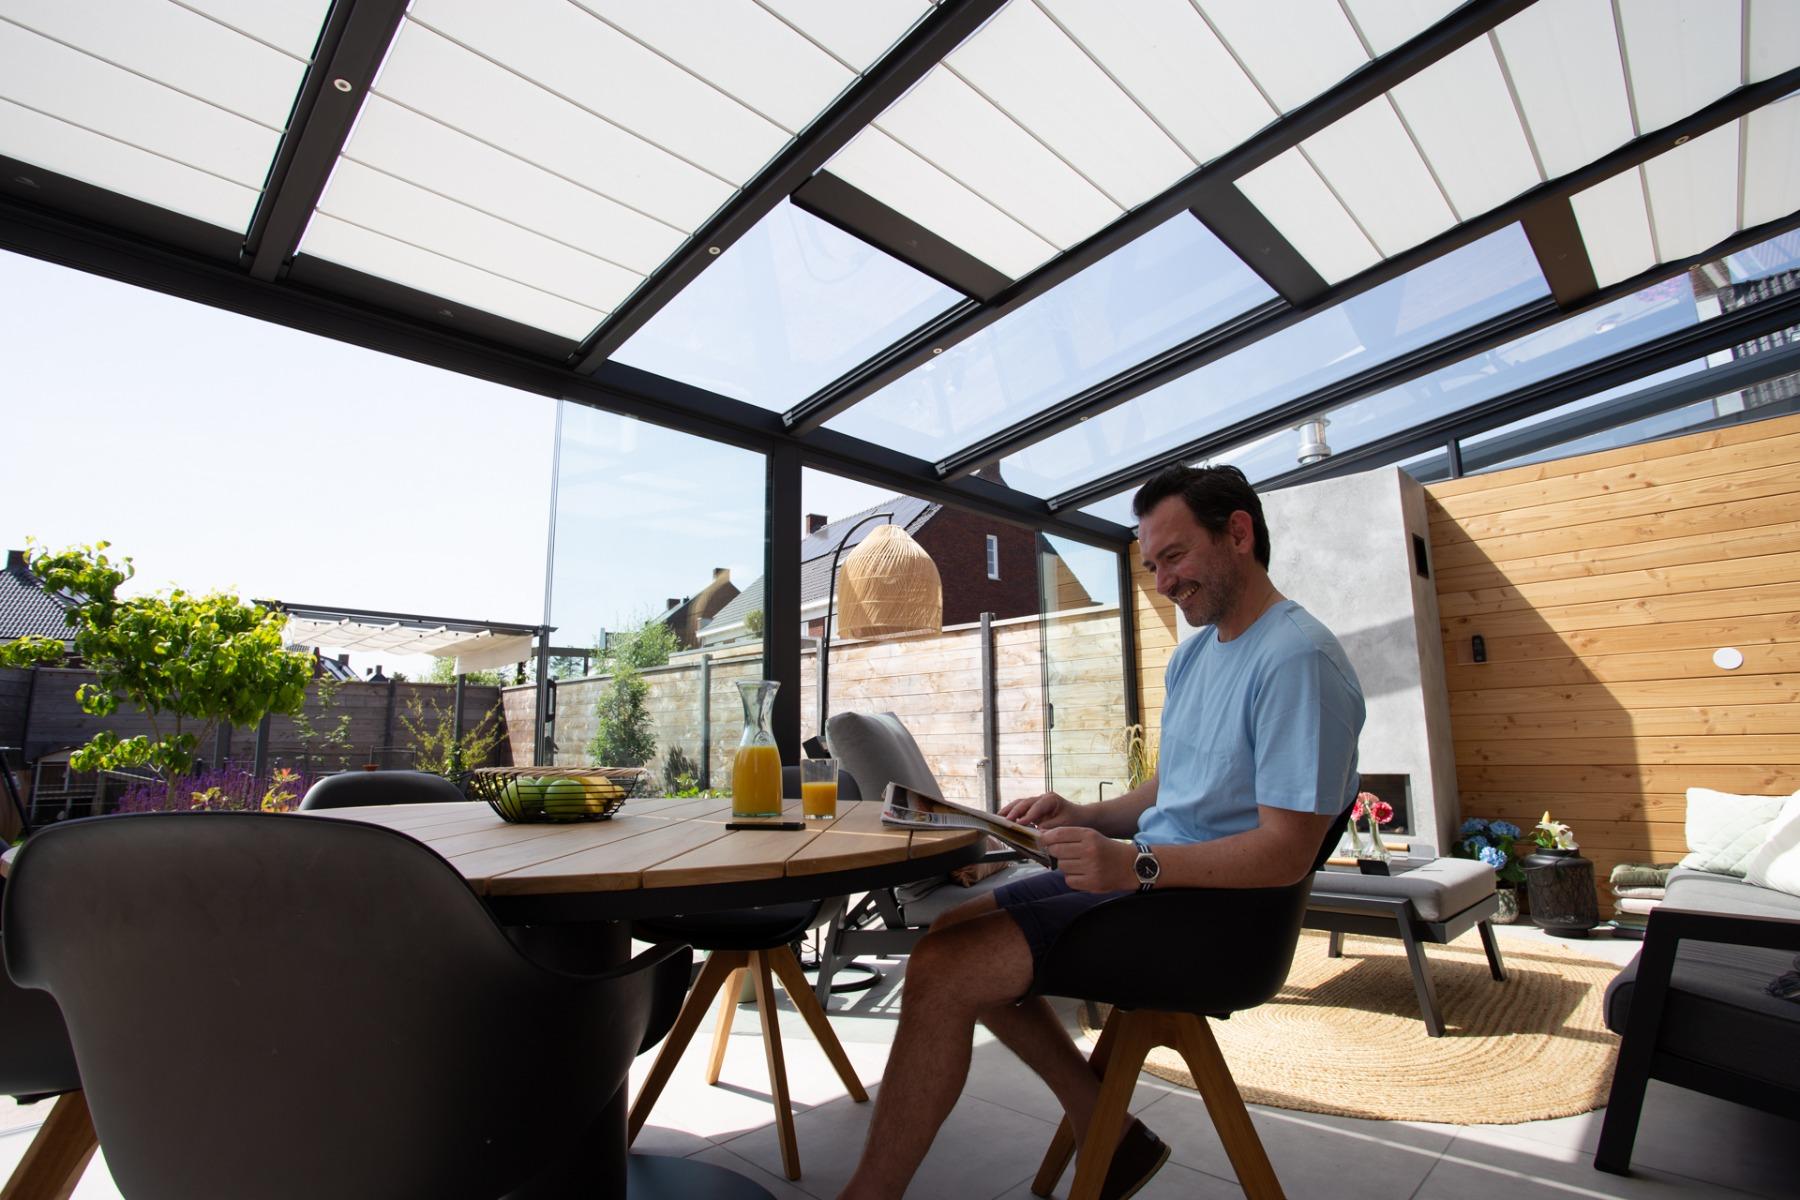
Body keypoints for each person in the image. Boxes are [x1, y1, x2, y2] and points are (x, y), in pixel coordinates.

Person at [836, 464, 1366, 1200]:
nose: (1161, 581)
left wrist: (1136, 865)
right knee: (946, 938)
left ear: (1238, 533)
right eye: (1151, 565)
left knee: (944, 970)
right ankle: (1106, 1129)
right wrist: (1083, 817)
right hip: (1154, 890)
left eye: (1174, 557)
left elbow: (1286, 851)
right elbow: (1174, 790)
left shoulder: (1296, 659)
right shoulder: (1195, 658)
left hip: (1217, 924)